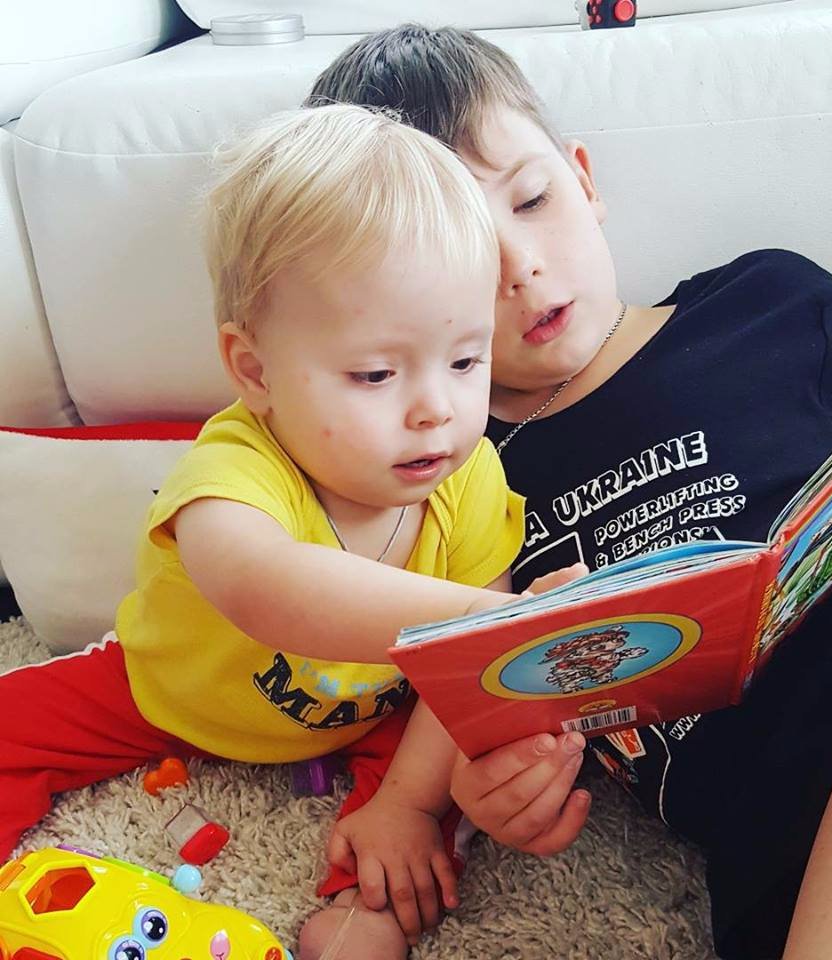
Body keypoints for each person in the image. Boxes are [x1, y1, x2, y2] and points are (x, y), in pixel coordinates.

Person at [304, 25, 832, 960]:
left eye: (532, 200)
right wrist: (484, 792)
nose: (519, 268)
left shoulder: (766, 302)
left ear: (583, 179)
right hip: (762, 835)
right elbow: (475, 678)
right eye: (459, 256)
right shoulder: (448, 472)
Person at [0, 104, 585, 960]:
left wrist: (409, 801)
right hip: (168, 690)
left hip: (376, 713)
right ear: (256, 370)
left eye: (466, 359)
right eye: (377, 374)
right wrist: (486, 622)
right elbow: (262, 585)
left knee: (443, 777)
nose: (437, 408)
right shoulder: (236, 464)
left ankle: (363, 913)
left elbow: (457, 682)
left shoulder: (469, 475)